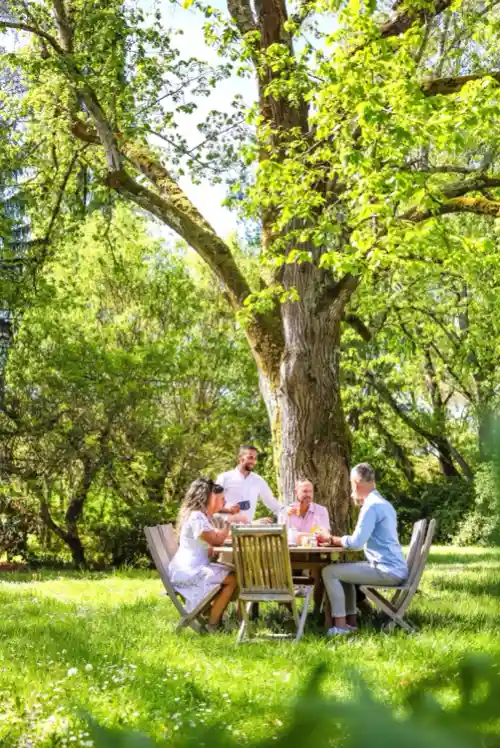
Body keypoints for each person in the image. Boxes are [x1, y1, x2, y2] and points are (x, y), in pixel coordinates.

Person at [319, 463, 408, 637]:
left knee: (329, 572)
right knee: (343, 571)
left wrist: (331, 539)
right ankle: (350, 623)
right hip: (394, 567)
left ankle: (340, 627)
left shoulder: (371, 506)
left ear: (356, 482)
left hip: (387, 570)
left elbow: (356, 543)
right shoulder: (383, 503)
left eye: (352, 484)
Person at [168, 478, 237, 632]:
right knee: (233, 580)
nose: (218, 497)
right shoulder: (197, 517)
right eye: (214, 494)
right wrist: (227, 524)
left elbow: (210, 541)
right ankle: (213, 625)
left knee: (231, 574)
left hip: (189, 568)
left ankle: (212, 617)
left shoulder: (198, 516)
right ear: (206, 496)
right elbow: (216, 541)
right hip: (189, 572)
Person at [287, 478, 331, 616]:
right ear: (296, 492)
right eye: (304, 491)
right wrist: (306, 535)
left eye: (310, 491)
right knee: (278, 571)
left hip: (313, 555)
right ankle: (292, 612)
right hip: (289, 556)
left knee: (320, 570)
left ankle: (316, 611)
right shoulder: (287, 511)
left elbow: (324, 534)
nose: (308, 494)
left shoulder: (321, 511)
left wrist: (299, 535)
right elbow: (284, 536)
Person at [216, 445, 283, 524]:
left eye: (255, 458)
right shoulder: (224, 478)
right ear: (240, 458)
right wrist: (228, 510)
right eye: (250, 457)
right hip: (225, 530)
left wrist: (287, 510)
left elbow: (272, 503)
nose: (253, 461)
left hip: (247, 531)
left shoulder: (258, 481)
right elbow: (213, 505)